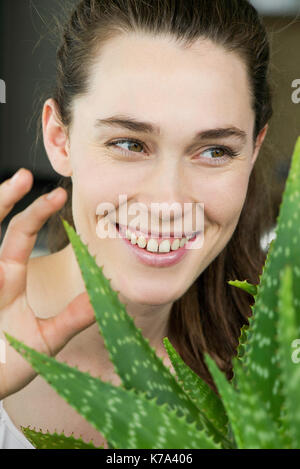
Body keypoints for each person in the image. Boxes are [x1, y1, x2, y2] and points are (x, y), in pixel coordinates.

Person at [0, 0, 275, 449]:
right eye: (129, 143)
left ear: (254, 151)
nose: (168, 202)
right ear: (60, 140)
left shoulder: (278, 364)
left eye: (215, 151)